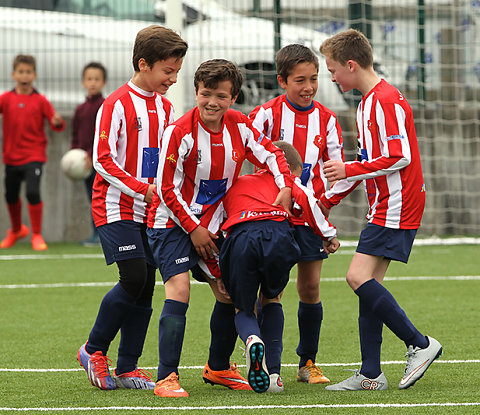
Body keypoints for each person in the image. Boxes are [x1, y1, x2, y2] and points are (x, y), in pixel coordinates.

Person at [147, 58, 294, 398]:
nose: (213, 102)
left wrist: (285, 184)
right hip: (170, 222)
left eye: (221, 96)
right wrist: (193, 229)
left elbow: (272, 154)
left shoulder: (240, 126)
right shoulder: (179, 131)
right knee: (179, 289)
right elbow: (166, 189)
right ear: (196, 92)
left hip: (213, 225)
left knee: (229, 291)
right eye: (206, 93)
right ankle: (166, 377)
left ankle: (218, 367)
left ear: (234, 97)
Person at [318, 28, 442, 391]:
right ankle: (371, 373)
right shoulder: (368, 101)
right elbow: (375, 159)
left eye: (332, 69)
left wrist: (349, 168)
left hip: (398, 202)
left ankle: (420, 344)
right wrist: (331, 196)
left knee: (356, 278)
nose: (331, 76)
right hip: (386, 201)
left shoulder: (384, 100)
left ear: (351, 65)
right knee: (368, 283)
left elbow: (398, 155)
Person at [76, 25, 188, 391]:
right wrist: (143, 188)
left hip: (151, 211)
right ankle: (93, 349)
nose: (173, 79)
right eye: (167, 71)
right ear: (144, 64)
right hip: (114, 206)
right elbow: (103, 160)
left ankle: (127, 366)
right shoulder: (116, 104)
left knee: (146, 287)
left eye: (176, 72)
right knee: (134, 277)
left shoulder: (167, 107)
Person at [249, 43, 344, 384]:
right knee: (269, 290)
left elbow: (335, 169)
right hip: (274, 218)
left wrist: (324, 204)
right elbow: (250, 156)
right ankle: (260, 362)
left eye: (314, 79)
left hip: (310, 217)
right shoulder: (264, 115)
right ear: (282, 81)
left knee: (310, 287)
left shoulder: (327, 120)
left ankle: (307, 362)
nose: (308, 87)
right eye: (300, 80)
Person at [218, 140, 340, 394]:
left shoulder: (237, 182)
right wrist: (329, 235)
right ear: (294, 169)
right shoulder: (289, 182)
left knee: (244, 309)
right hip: (278, 236)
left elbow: (216, 220)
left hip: (240, 237)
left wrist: (218, 267)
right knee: (272, 299)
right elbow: (309, 204)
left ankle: (252, 339)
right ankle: (274, 375)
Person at [0, 54, 66, 251]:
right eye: (21, 71)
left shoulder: (41, 100)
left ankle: (36, 234)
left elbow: (57, 124)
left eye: (28, 72)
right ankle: (16, 230)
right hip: (11, 157)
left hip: (34, 156)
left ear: (34, 75)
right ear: (14, 75)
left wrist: (57, 122)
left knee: (32, 192)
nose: (24, 75)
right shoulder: (6, 99)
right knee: (10, 195)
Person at [71, 62, 107, 246]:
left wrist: (91, 155)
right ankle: (95, 234)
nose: (93, 83)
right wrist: (74, 155)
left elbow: (102, 134)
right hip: (83, 164)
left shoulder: (104, 106)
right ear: (83, 82)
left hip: (99, 163)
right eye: (89, 79)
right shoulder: (80, 109)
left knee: (100, 200)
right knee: (91, 199)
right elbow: (75, 135)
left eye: (97, 79)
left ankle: (102, 235)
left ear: (104, 82)